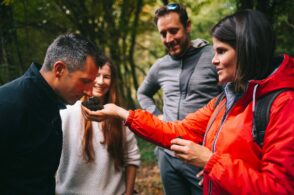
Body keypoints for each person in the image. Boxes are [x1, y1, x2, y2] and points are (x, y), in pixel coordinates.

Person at [82, 9, 294, 194]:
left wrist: (210, 162)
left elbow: (278, 189)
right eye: (162, 33)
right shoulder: (225, 101)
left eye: (221, 51)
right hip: (177, 159)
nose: (214, 60)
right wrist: (121, 113)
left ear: (247, 50)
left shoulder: (283, 105)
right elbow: (176, 130)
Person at [0, 33, 104, 194]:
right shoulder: (8, 103)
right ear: (59, 69)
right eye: (85, 81)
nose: (90, 92)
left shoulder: (51, 103)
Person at [137, 3, 221, 194]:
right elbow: (142, 93)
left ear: (188, 26)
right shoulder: (160, 66)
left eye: (174, 31)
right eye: (163, 33)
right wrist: (157, 116)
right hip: (167, 154)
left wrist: (216, 153)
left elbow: (232, 101)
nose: (168, 39)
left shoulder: (213, 57)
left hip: (199, 154)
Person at [56, 57, 140, 195]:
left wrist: (128, 193)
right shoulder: (66, 113)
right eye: (96, 76)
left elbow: (132, 158)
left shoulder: (120, 116)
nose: (100, 82)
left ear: (112, 81)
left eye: (106, 77)